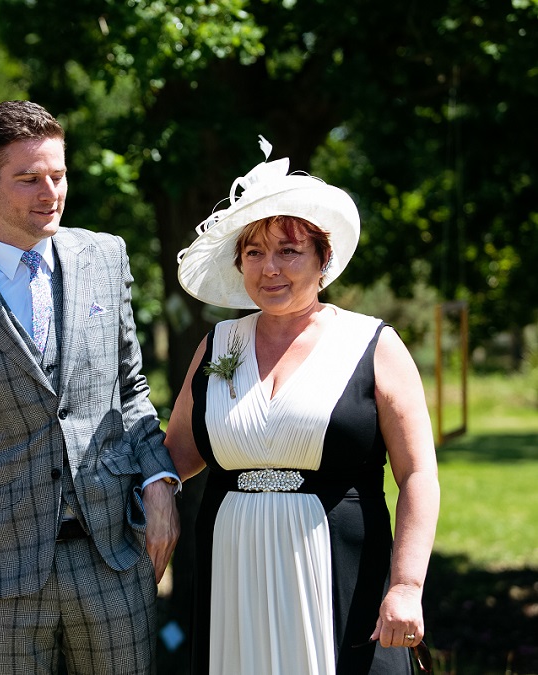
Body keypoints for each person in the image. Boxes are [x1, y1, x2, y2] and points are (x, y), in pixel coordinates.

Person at [0, 100, 181, 674]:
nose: (48, 192)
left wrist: (158, 478)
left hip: (112, 561)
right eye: (28, 179)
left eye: (57, 176)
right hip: (1, 576)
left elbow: (130, 386)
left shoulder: (107, 256)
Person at [165, 138, 440, 674]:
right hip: (234, 572)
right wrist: (155, 491)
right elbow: (176, 453)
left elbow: (418, 474)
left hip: (342, 571)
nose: (270, 268)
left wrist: (407, 585)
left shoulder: (372, 344)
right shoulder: (218, 345)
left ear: (323, 260)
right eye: (254, 253)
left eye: (288, 251)